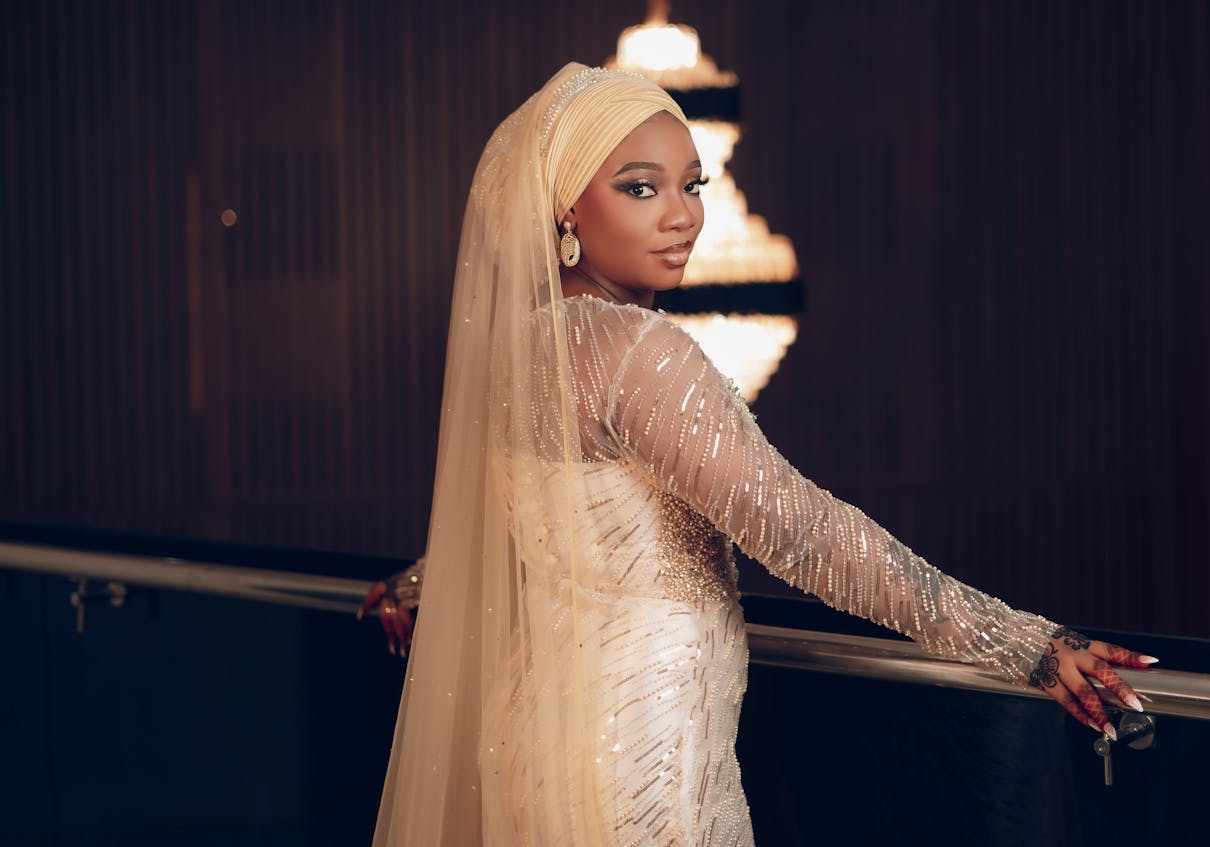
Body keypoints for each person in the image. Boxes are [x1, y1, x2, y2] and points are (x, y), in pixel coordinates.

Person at [361, 62, 1157, 846]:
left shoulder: (519, 351)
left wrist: (418, 579)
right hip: (638, 765)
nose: (682, 217)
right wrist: (1022, 644)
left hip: (531, 746)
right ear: (566, 210)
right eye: (641, 188)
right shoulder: (638, 353)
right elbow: (804, 532)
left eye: (692, 185)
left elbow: (531, 525)